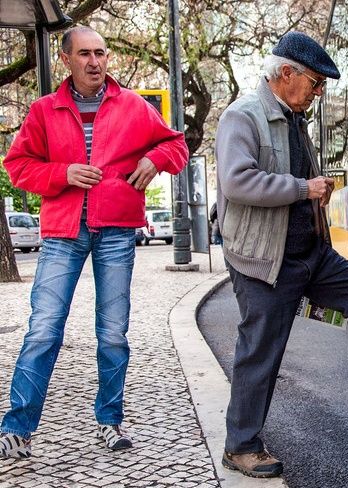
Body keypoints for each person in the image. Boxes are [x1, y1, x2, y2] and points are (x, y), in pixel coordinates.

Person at [215, 31, 348, 478]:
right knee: (260, 353)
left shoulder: (293, 117)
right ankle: (241, 445)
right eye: (316, 83)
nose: (320, 92)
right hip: (267, 259)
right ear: (287, 73)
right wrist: (304, 188)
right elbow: (236, 182)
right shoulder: (242, 117)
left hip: (309, 253)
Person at [0, 26, 188, 459]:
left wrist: (153, 158)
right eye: (84, 53)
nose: (94, 62)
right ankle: (18, 429)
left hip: (117, 231)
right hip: (63, 232)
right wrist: (61, 173)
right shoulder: (44, 110)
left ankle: (109, 422)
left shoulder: (134, 107)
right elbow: (18, 166)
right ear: (65, 59)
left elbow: (175, 144)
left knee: (113, 334)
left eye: (100, 53)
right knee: (44, 330)